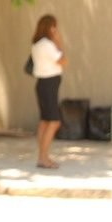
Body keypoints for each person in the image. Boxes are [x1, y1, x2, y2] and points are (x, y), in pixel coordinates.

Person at [31, 14, 67, 169]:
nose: (55, 29)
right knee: (54, 121)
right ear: (50, 27)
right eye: (54, 26)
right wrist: (58, 42)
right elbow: (63, 61)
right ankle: (43, 157)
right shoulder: (47, 44)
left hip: (42, 84)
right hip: (49, 84)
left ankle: (43, 156)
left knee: (45, 121)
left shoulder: (36, 44)